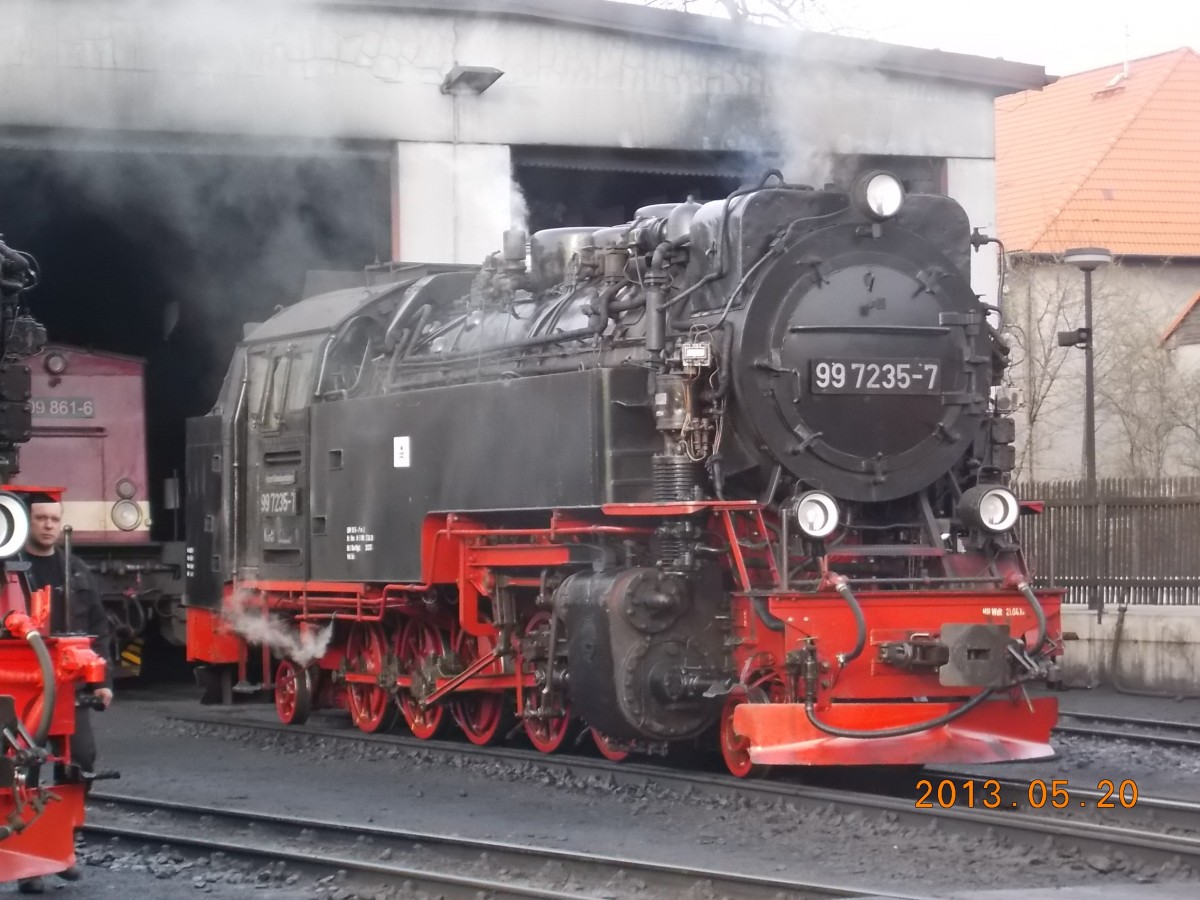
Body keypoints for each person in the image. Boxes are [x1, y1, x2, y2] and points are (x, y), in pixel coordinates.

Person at [16, 493, 113, 895]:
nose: (49, 525)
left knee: (82, 760)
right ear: (28, 521)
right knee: (28, 767)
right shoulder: (10, 571)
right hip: (23, 685)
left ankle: (64, 843)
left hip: (69, 684)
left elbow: (99, 625)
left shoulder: (76, 569)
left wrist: (103, 680)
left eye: (55, 518)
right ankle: (28, 862)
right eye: (41, 518)